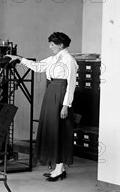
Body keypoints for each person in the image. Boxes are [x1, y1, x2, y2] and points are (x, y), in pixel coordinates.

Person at [6, 32, 77, 182]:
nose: (50, 46)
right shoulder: (53, 59)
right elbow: (38, 67)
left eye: (52, 44)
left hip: (61, 96)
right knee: (52, 130)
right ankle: (59, 168)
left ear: (61, 45)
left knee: (61, 131)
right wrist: (19, 59)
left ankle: (59, 169)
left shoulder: (69, 61)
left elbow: (71, 85)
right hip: (51, 93)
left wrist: (66, 106)